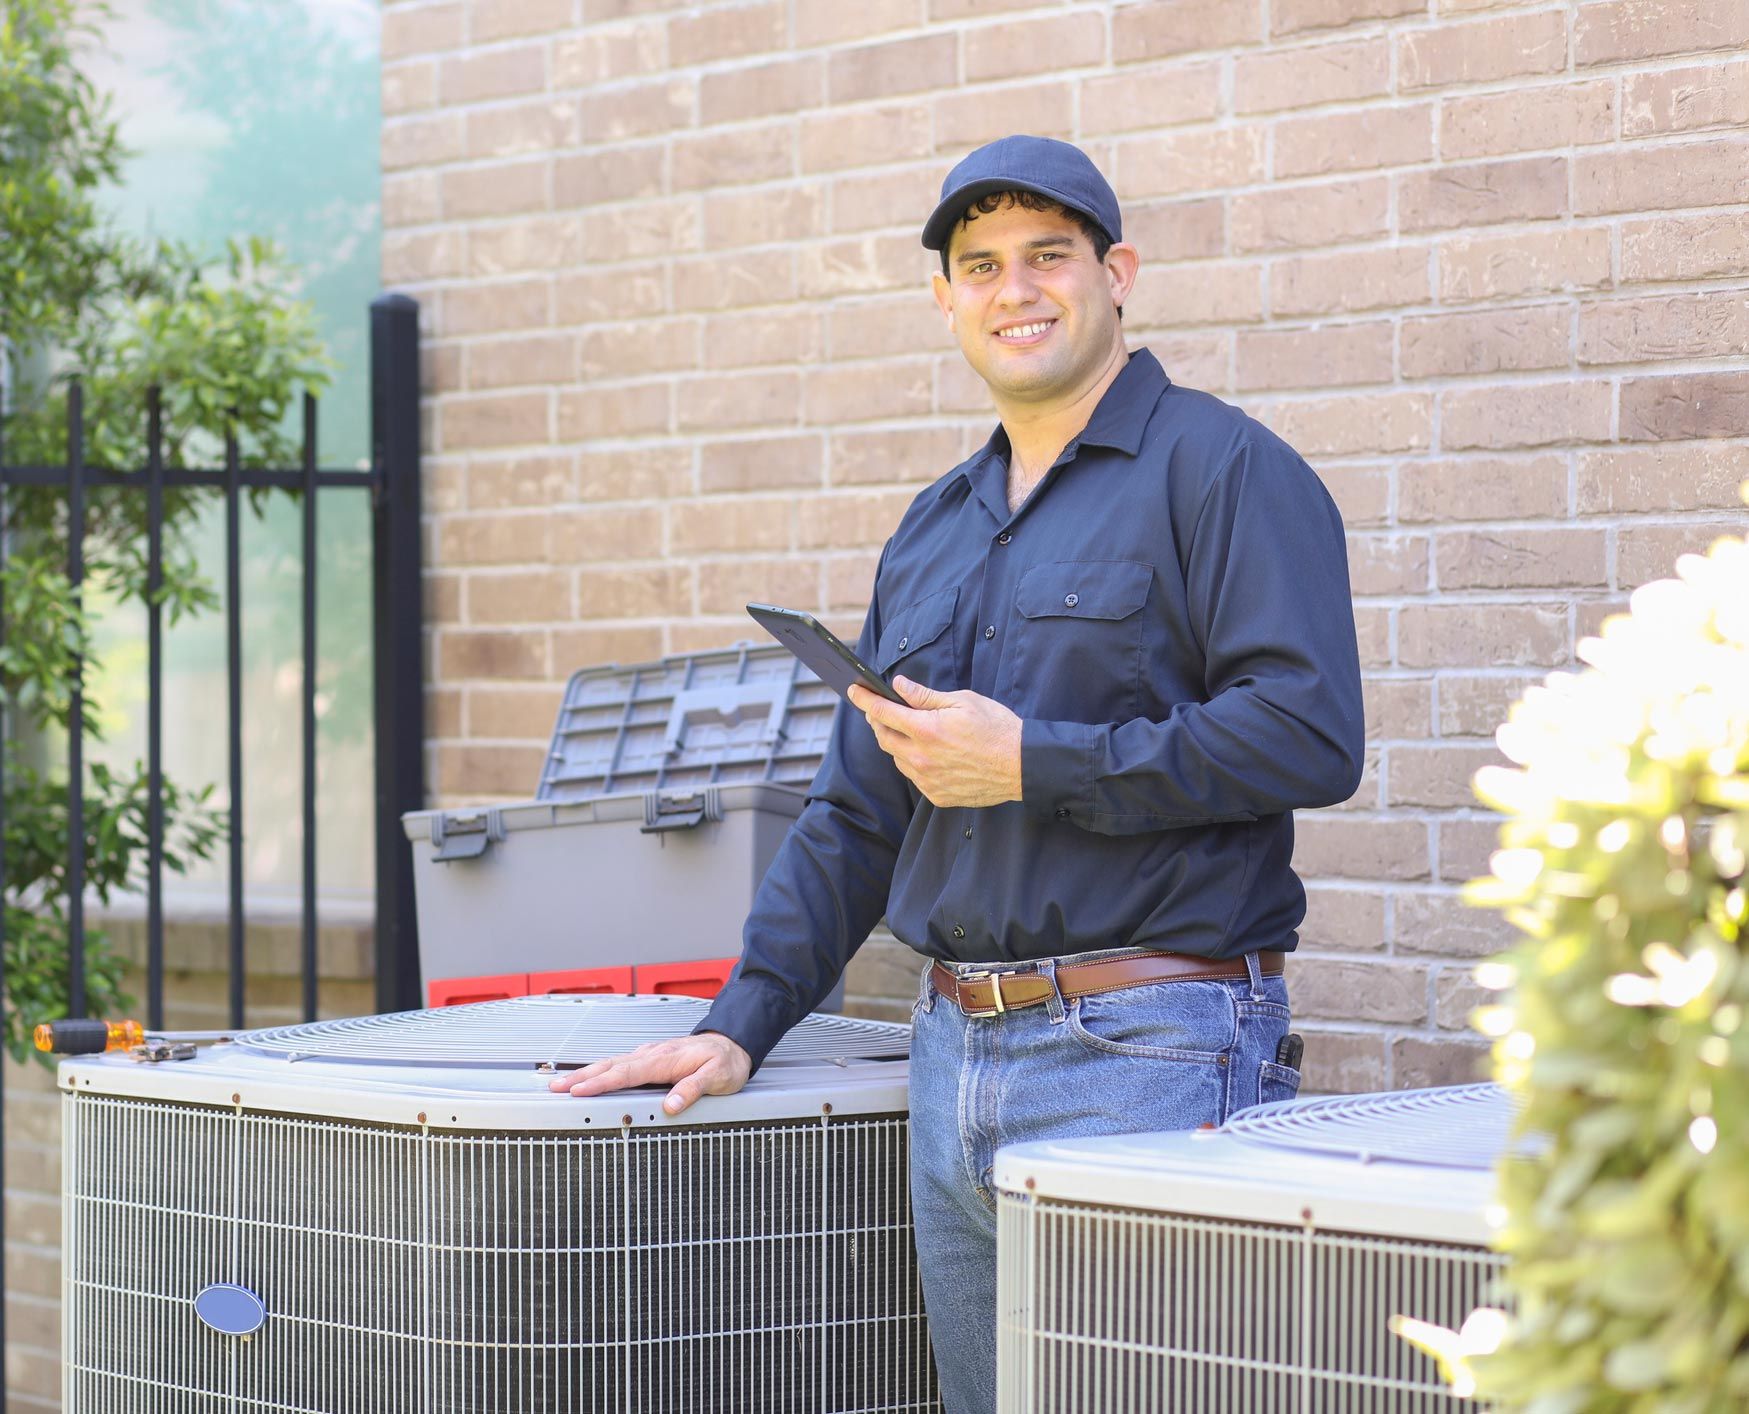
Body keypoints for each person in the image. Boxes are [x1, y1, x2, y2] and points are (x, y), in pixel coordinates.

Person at [550, 134, 1365, 1413]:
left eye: (1050, 254)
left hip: (1147, 1048)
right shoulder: (935, 526)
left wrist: (1035, 761)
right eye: (979, 264)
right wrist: (736, 1023)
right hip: (950, 1060)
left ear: (1117, 274)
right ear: (946, 299)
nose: (1015, 288)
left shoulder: (1225, 471)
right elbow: (858, 809)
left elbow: (1312, 734)